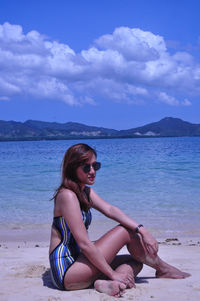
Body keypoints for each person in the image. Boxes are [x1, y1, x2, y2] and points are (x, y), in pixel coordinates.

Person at [49, 143, 190, 297]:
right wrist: (112, 272)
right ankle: (162, 269)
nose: (92, 171)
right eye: (86, 167)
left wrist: (142, 230)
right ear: (72, 168)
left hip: (80, 265)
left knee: (135, 261)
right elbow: (84, 243)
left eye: (95, 165)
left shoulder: (85, 192)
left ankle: (107, 283)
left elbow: (110, 210)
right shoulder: (67, 195)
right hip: (67, 272)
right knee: (124, 231)